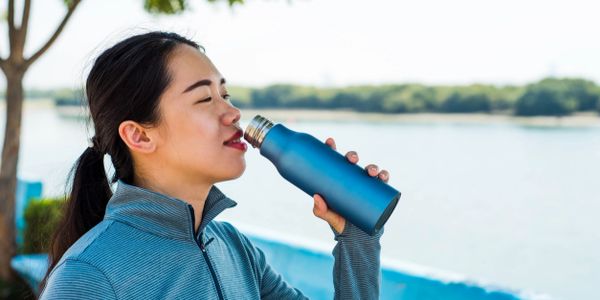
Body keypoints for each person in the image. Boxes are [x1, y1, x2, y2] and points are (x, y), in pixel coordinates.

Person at [38, 31, 391, 300]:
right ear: (140, 136)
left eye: (226, 94)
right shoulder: (88, 277)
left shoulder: (235, 249)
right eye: (205, 98)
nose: (233, 112)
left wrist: (357, 238)